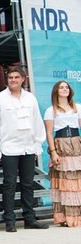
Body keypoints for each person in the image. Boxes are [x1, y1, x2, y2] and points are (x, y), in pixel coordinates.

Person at [0, 67, 48, 232]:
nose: (13, 80)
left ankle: (30, 218)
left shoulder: (30, 98)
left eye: (16, 77)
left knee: (28, 184)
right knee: (10, 184)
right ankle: (9, 220)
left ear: (23, 79)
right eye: (10, 77)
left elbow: (37, 122)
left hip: (28, 147)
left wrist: (36, 145)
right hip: (9, 148)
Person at [43, 80, 81, 227]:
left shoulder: (77, 107)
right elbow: (49, 132)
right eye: (61, 87)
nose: (64, 89)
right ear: (56, 91)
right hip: (61, 144)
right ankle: (66, 217)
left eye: (66, 87)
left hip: (76, 144)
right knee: (66, 182)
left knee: (77, 181)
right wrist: (53, 152)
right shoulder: (51, 110)